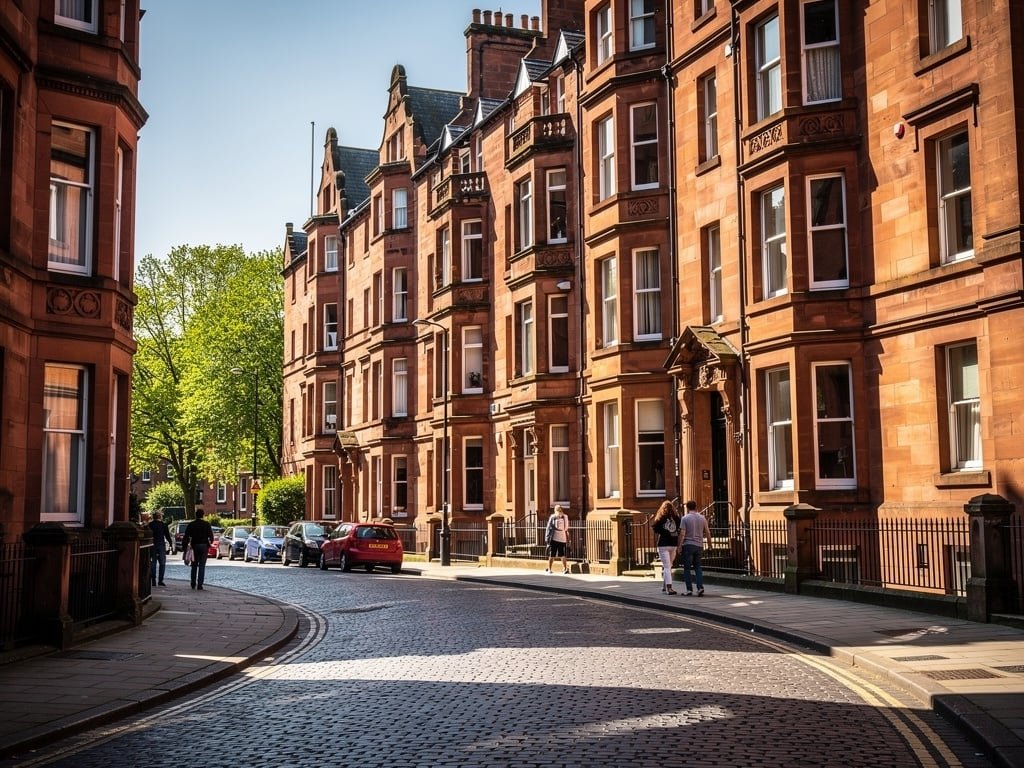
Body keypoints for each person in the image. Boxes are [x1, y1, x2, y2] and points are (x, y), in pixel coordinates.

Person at [680, 499, 712, 596]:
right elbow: (707, 532)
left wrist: (679, 546)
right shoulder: (702, 518)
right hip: (699, 545)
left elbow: (682, 534)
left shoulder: (685, 518)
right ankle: (700, 587)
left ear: (687, 507)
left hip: (688, 545)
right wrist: (710, 544)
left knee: (687, 568)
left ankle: (689, 590)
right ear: (696, 507)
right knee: (698, 567)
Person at [651, 500, 681, 594]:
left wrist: (663, 532)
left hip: (663, 544)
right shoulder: (676, 518)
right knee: (669, 566)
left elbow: (655, 528)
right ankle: (666, 586)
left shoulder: (660, 518)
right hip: (673, 544)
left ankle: (668, 587)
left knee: (667, 566)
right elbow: (679, 529)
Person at [182, 508, 214, 590]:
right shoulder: (206, 524)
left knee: (194, 565)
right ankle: (200, 584)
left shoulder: (191, 524)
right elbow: (211, 537)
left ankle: (193, 583)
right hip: (204, 546)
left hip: (194, 546)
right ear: (203, 515)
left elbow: (186, 536)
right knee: (202, 566)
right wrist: (209, 543)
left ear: (196, 515)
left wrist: (185, 547)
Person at [147, 510, 174, 587]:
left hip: (153, 545)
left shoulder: (150, 525)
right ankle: (160, 580)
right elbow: (167, 535)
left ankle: (153, 580)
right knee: (162, 563)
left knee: (153, 563)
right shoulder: (163, 525)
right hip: (161, 545)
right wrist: (171, 544)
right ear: (160, 517)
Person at [544, 505, 570, 574]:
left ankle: (549, 569)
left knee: (552, 554)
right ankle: (565, 569)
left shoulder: (553, 516)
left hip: (554, 538)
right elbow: (566, 528)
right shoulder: (565, 517)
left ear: (555, 510)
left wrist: (547, 537)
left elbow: (548, 527)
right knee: (562, 554)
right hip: (562, 539)